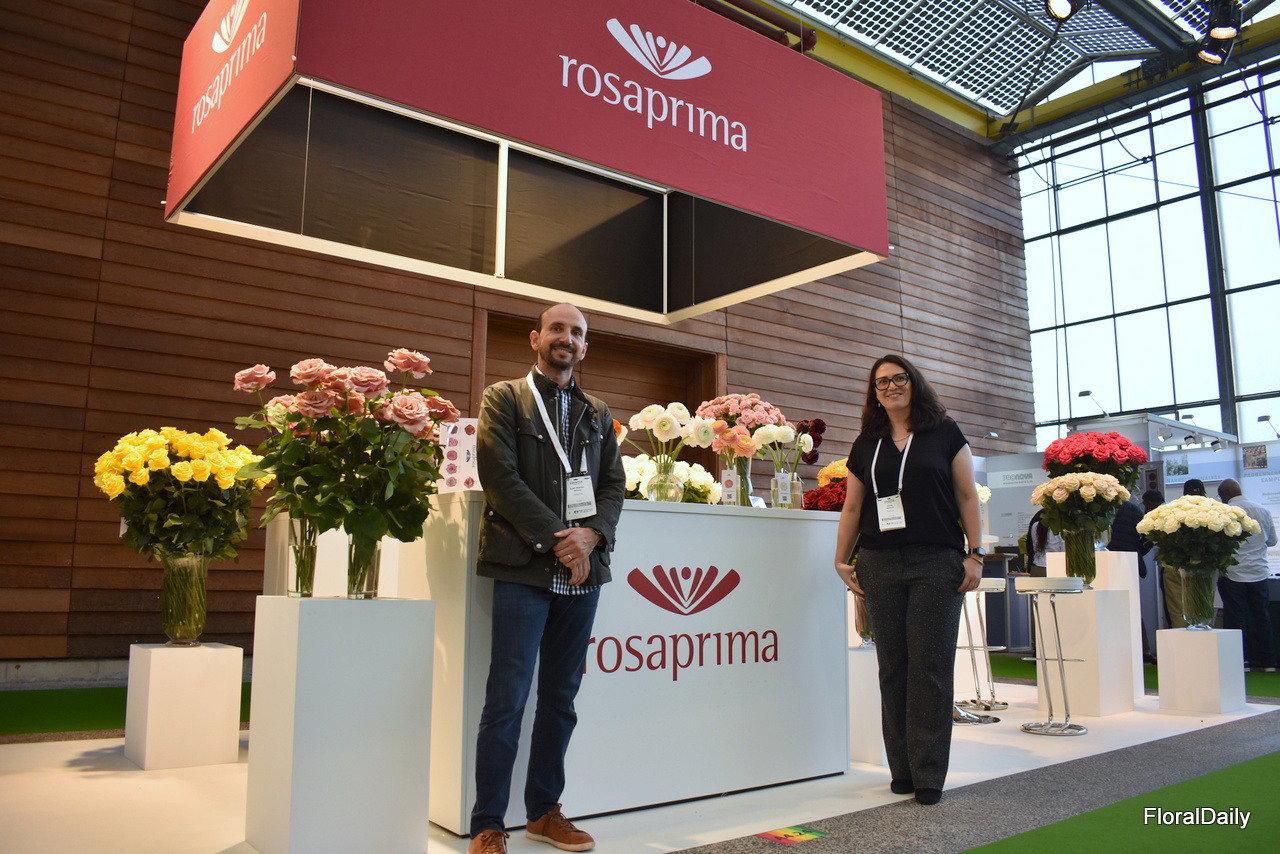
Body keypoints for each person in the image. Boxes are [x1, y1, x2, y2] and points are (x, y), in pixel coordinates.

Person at [468, 303, 627, 854]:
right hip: (524, 567)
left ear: (585, 347)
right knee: (507, 698)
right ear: (535, 338)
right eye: (557, 328)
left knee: (561, 698)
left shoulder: (597, 412)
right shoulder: (504, 398)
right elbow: (499, 477)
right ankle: (488, 823)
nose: (567, 338)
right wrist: (561, 539)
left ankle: (542, 813)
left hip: (583, 576)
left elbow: (612, 486)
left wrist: (593, 536)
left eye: (577, 332)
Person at [833, 355, 982, 806]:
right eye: (881, 382)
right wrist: (841, 559)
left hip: (937, 561)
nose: (891, 387)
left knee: (929, 668)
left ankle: (929, 773)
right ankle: (901, 769)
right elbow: (853, 507)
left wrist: (976, 554)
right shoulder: (867, 443)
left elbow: (967, 495)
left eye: (899, 378)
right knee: (893, 667)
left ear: (914, 383)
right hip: (879, 562)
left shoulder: (945, 433)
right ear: (873, 392)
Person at [1216, 479, 1278, 672]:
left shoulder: (1225, 512)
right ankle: (1269, 662)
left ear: (1225, 494)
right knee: (1262, 617)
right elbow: (1272, 541)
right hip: (1259, 572)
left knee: (1236, 619)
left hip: (1233, 573)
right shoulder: (1263, 510)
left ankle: (1241, 662)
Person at [1025, 509, 1063, 577]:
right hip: (1056, 567)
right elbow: (1064, 551)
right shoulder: (1060, 527)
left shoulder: (1036, 525)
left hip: (1038, 567)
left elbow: (1032, 547)